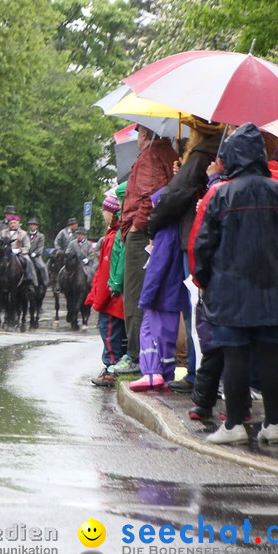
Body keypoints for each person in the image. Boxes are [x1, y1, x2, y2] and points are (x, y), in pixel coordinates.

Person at [190, 123, 278, 445]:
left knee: (235, 356)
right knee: (270, 355)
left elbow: (203, 246)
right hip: (272, 290)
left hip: (229, 291)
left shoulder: (221, 194)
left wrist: (205, 282)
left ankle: (234, 425)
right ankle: (272, 424)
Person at [147, 116, 224, 394]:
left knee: (194, 309)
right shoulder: (224, 149)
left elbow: (178, 195)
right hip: (217, 238)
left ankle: (195, 373)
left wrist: (153, 221)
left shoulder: (202, 153)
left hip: (193, 236)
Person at [121, 126, 179, 375]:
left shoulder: (150, 156)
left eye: (138, 133)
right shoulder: (170, 153)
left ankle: (135, 354)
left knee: (134, 295)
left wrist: (135, 227)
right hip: (158, 232)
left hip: (141, 234)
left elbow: (149, 196)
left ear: (144, 133)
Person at [85, 193, 126, 387]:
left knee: (109, 333)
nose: (102, 213)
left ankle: (111, 368)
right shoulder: (112, 235)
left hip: (111, 297)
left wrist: (99, 299)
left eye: (105, 210)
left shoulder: (113, 237)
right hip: (112, 295)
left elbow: (107, 271)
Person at [0, 215, 37, 288]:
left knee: (28, 262)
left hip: (19, 253)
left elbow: (27, 246)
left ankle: (30, 281)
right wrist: (1, 249)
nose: (13, 225)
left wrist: (19, 250)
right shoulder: (2, 232)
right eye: (11, 223)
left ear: (18, 223)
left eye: (14, 223)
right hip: (3, 253)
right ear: (8, 224)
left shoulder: (23, 233)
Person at [25, 217, 48, 290]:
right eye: (30, 225)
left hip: (36, 256)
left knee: (43, 267)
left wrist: (35, 253)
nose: (31, 226)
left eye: (33, 225)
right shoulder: (25, 234)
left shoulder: (41, 236)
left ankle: (45, 282)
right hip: (26, 254)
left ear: (36, 226)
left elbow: (40, 247)